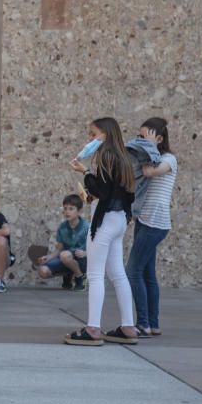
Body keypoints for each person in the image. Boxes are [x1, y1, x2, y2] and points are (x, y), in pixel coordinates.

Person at [64, 117, 138, 346]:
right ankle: (128, 326)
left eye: (93, 134)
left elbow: (102, 191)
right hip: (118, 220)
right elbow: (122, 193)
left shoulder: (106, 156)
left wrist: (85, 172)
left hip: (105, 221)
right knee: (118, 273)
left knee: (95, 275)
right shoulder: (123, 157)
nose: (90, 139)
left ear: (105, 134)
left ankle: (93, 328)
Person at [127, 117, 177, 337]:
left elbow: (149, 172)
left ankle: (143, 323)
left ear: (159, 138)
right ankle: (153, 324)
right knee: (147, 273)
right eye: (141, 135)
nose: (142, 139)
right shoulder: (147, 156)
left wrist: (147, 146)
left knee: (132, 271)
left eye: (146, 135)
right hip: (143, 220)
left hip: (155, 223)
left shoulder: (169, 159)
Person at [35, 194, 89, 291]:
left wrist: (85, 253)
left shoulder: (86, 227)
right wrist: (48, 258)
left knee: (64, 255)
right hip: (67, 258)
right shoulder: (62, 227)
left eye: (71, 209)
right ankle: (68, 273)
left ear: (79, 211)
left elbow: (97, 248)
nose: (67, 212)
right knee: (42, 271)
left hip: (83, 260)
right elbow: (59, 249)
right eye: (65, 208)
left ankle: (80, 276)